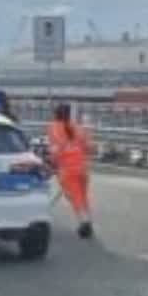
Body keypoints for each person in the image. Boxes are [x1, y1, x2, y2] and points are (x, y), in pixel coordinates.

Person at [47, 101, 95, 238]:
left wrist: (51, 161)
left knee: (74, 197)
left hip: (67, 170)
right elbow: (88, 148)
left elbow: (56, 149)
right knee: (82, 197)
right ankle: (87, 221)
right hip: (82, 168)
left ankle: (84, 223)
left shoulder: (54, 127)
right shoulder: (77, 128)